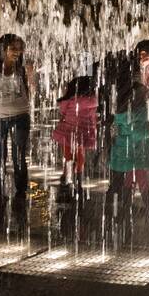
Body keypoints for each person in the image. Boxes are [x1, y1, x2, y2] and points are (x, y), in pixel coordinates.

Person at [107, 40, 149, 215]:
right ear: (142, 54)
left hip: (124, 116)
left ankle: (125, 203)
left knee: (130, 166)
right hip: (131, 117)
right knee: (137, 165)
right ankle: (146, 205)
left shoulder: (126, 65)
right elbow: (133, 89)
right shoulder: (131, 67)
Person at [0, 34, 34, 199]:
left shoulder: (24, 67)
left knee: (19, 156)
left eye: (19, 48)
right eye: (13, 48)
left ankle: (20, 193)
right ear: (3, 49)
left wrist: (31, 74)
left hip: (20, 115)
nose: (17, 52)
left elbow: (32, 90)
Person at [52, 71, 98, 201]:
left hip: (68, 132)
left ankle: (66, 180)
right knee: (80, 157)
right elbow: (93, 116)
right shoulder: (93, 101)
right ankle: (78, 181)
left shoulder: (69, 100)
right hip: (83, 134)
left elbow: (63, 112)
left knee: (68, 157)